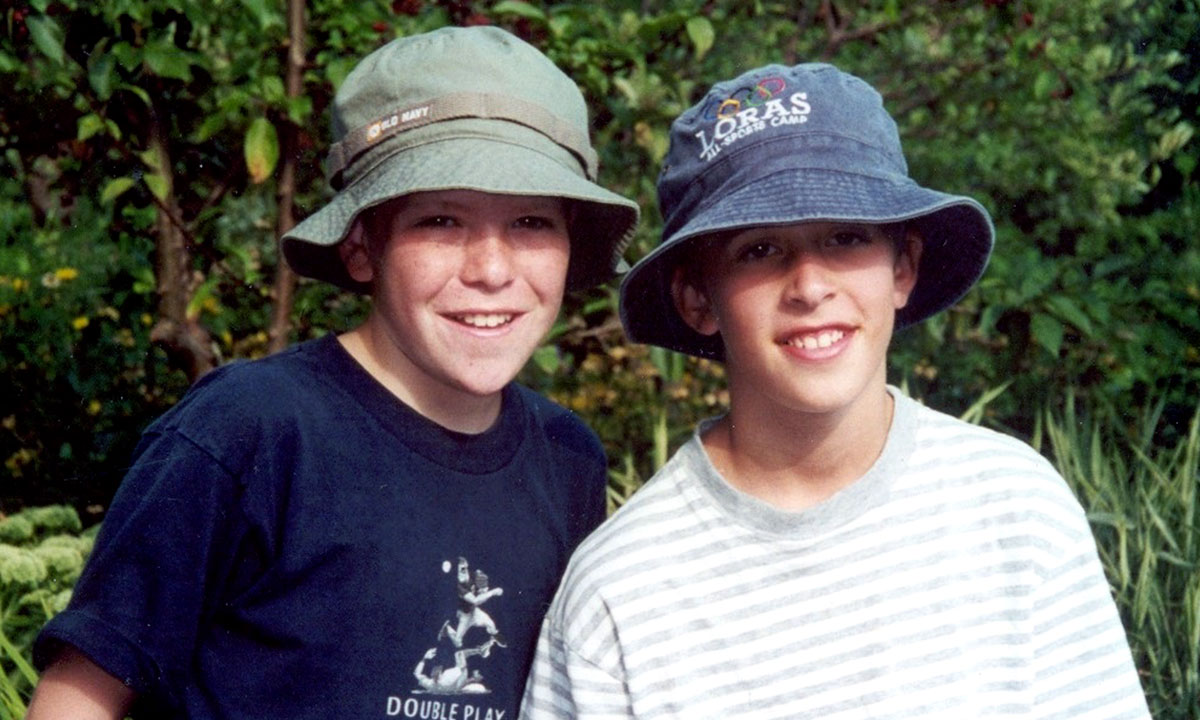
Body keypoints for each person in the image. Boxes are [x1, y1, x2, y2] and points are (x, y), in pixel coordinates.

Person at [26, 25, 638, 720]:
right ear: (359, 246)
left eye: (531, 222)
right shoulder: (248, 430)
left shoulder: (568, 461)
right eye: (440, 220)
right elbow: (79, 699)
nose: (492, 270)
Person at [520, 62, 1150, 719]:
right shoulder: (620, 591)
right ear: (696, 297)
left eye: (846, 236)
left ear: (903, 266)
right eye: (759, 249)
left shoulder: (1016, 510)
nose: (811, 286)